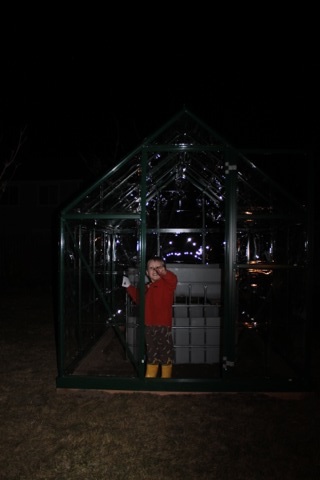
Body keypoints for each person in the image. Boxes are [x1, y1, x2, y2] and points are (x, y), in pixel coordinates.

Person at [122, 256, 178, 378]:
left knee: (165, 353)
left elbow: (173, 279)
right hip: (148, 326)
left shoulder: (167, 285)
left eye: (158, 267)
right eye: (151, 268)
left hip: (163, 326)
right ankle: (150, 377)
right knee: (151, 352)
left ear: (164, 269)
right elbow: (138, 299)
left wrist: (164, 273)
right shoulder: (147, 287)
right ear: (147, 272)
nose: (155, 270)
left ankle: (165, 378)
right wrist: (129, 287)